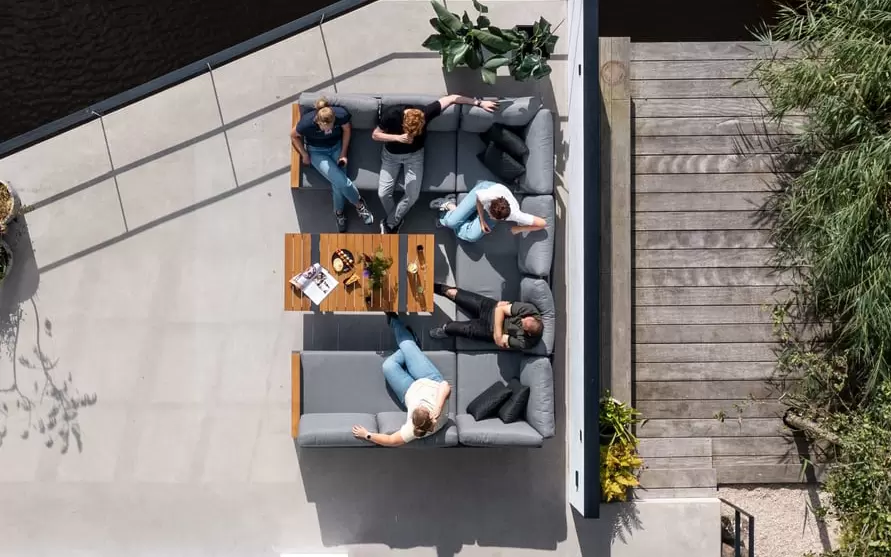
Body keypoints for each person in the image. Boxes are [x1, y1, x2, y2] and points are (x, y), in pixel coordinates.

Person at [372, 95, 498, 234]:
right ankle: (394, 221)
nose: (413, 136)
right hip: (391, 157)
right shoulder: (391, 114)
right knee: (383, 194)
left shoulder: (424, 112)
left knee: (412, 195)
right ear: (403, 124)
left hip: (414, 157)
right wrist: (397, 138)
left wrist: (479, 103)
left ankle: (390, 223)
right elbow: (375, 135)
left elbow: (452, 98)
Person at [352, 314, 451, 446]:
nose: (420, 404)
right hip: (429, 378)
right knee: (407, 345)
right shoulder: (437, 411)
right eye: (422, 407)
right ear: (430, 415)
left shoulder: (413, 430)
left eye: (417, 408)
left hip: (408, 391)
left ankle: (413, 346)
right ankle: (395, 322)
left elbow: (391, 440)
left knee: (388, 366)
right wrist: (438, 407)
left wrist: (367, 435)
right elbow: (445, 385)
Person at [291, 97, 375, 232]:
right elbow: (293, 135)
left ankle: (339, 212)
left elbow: (346, 130)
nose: (329, 129)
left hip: (336, 147)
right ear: (318, 122)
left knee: (337, 184)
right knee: (341, 182)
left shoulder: (340, 114)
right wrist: (304, 154)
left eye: (332, 125)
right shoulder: (306, 123)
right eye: (325, 127)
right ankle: (359, 204)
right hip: (317, 152)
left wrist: (343, 153)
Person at [428, 283, 543, 350]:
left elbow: (500, 340)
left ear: (527, 333)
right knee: (452, 293)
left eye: (523, 325)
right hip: (489, 308)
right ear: (532, 318)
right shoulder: (530, 310)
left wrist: (500, 314)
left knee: (451, 328)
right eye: (524, 318)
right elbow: (499, 311)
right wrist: (499, 333)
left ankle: (445, 330)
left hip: (487, 330)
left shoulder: (527, 342)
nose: (522, 320)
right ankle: (429, 286)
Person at [430, 181, 547, 243]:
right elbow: (479, 200)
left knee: (472, 236)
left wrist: (520, 229)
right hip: (485, 189)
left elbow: (542, 223)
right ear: (490, 207)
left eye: (495, 219)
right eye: (491, 216)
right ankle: (450, 205)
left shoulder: (515, 214)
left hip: (494, 207)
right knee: (451, 222)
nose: (492, 218)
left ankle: (453, 213)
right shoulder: (487, 195)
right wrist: (482, 220)